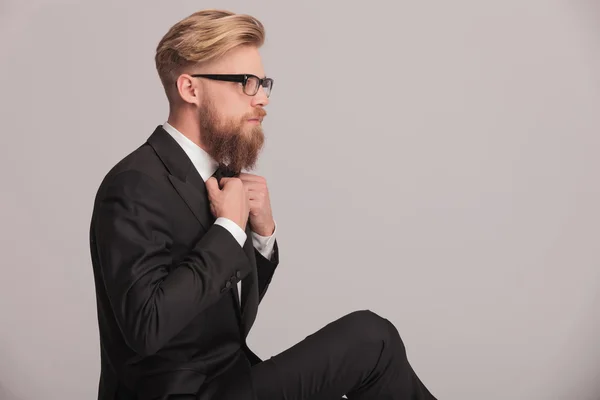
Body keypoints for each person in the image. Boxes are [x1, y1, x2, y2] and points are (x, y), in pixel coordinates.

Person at [89, 9, 438, 400]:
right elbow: (146, 327)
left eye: (263, 82)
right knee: (371, 339)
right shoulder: (134, 184)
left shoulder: (220, 176)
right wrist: (229, 230)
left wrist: (261, 238)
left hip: (231, 380)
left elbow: (217, 313)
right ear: (190, 89)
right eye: (246, 83)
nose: (263, 98)